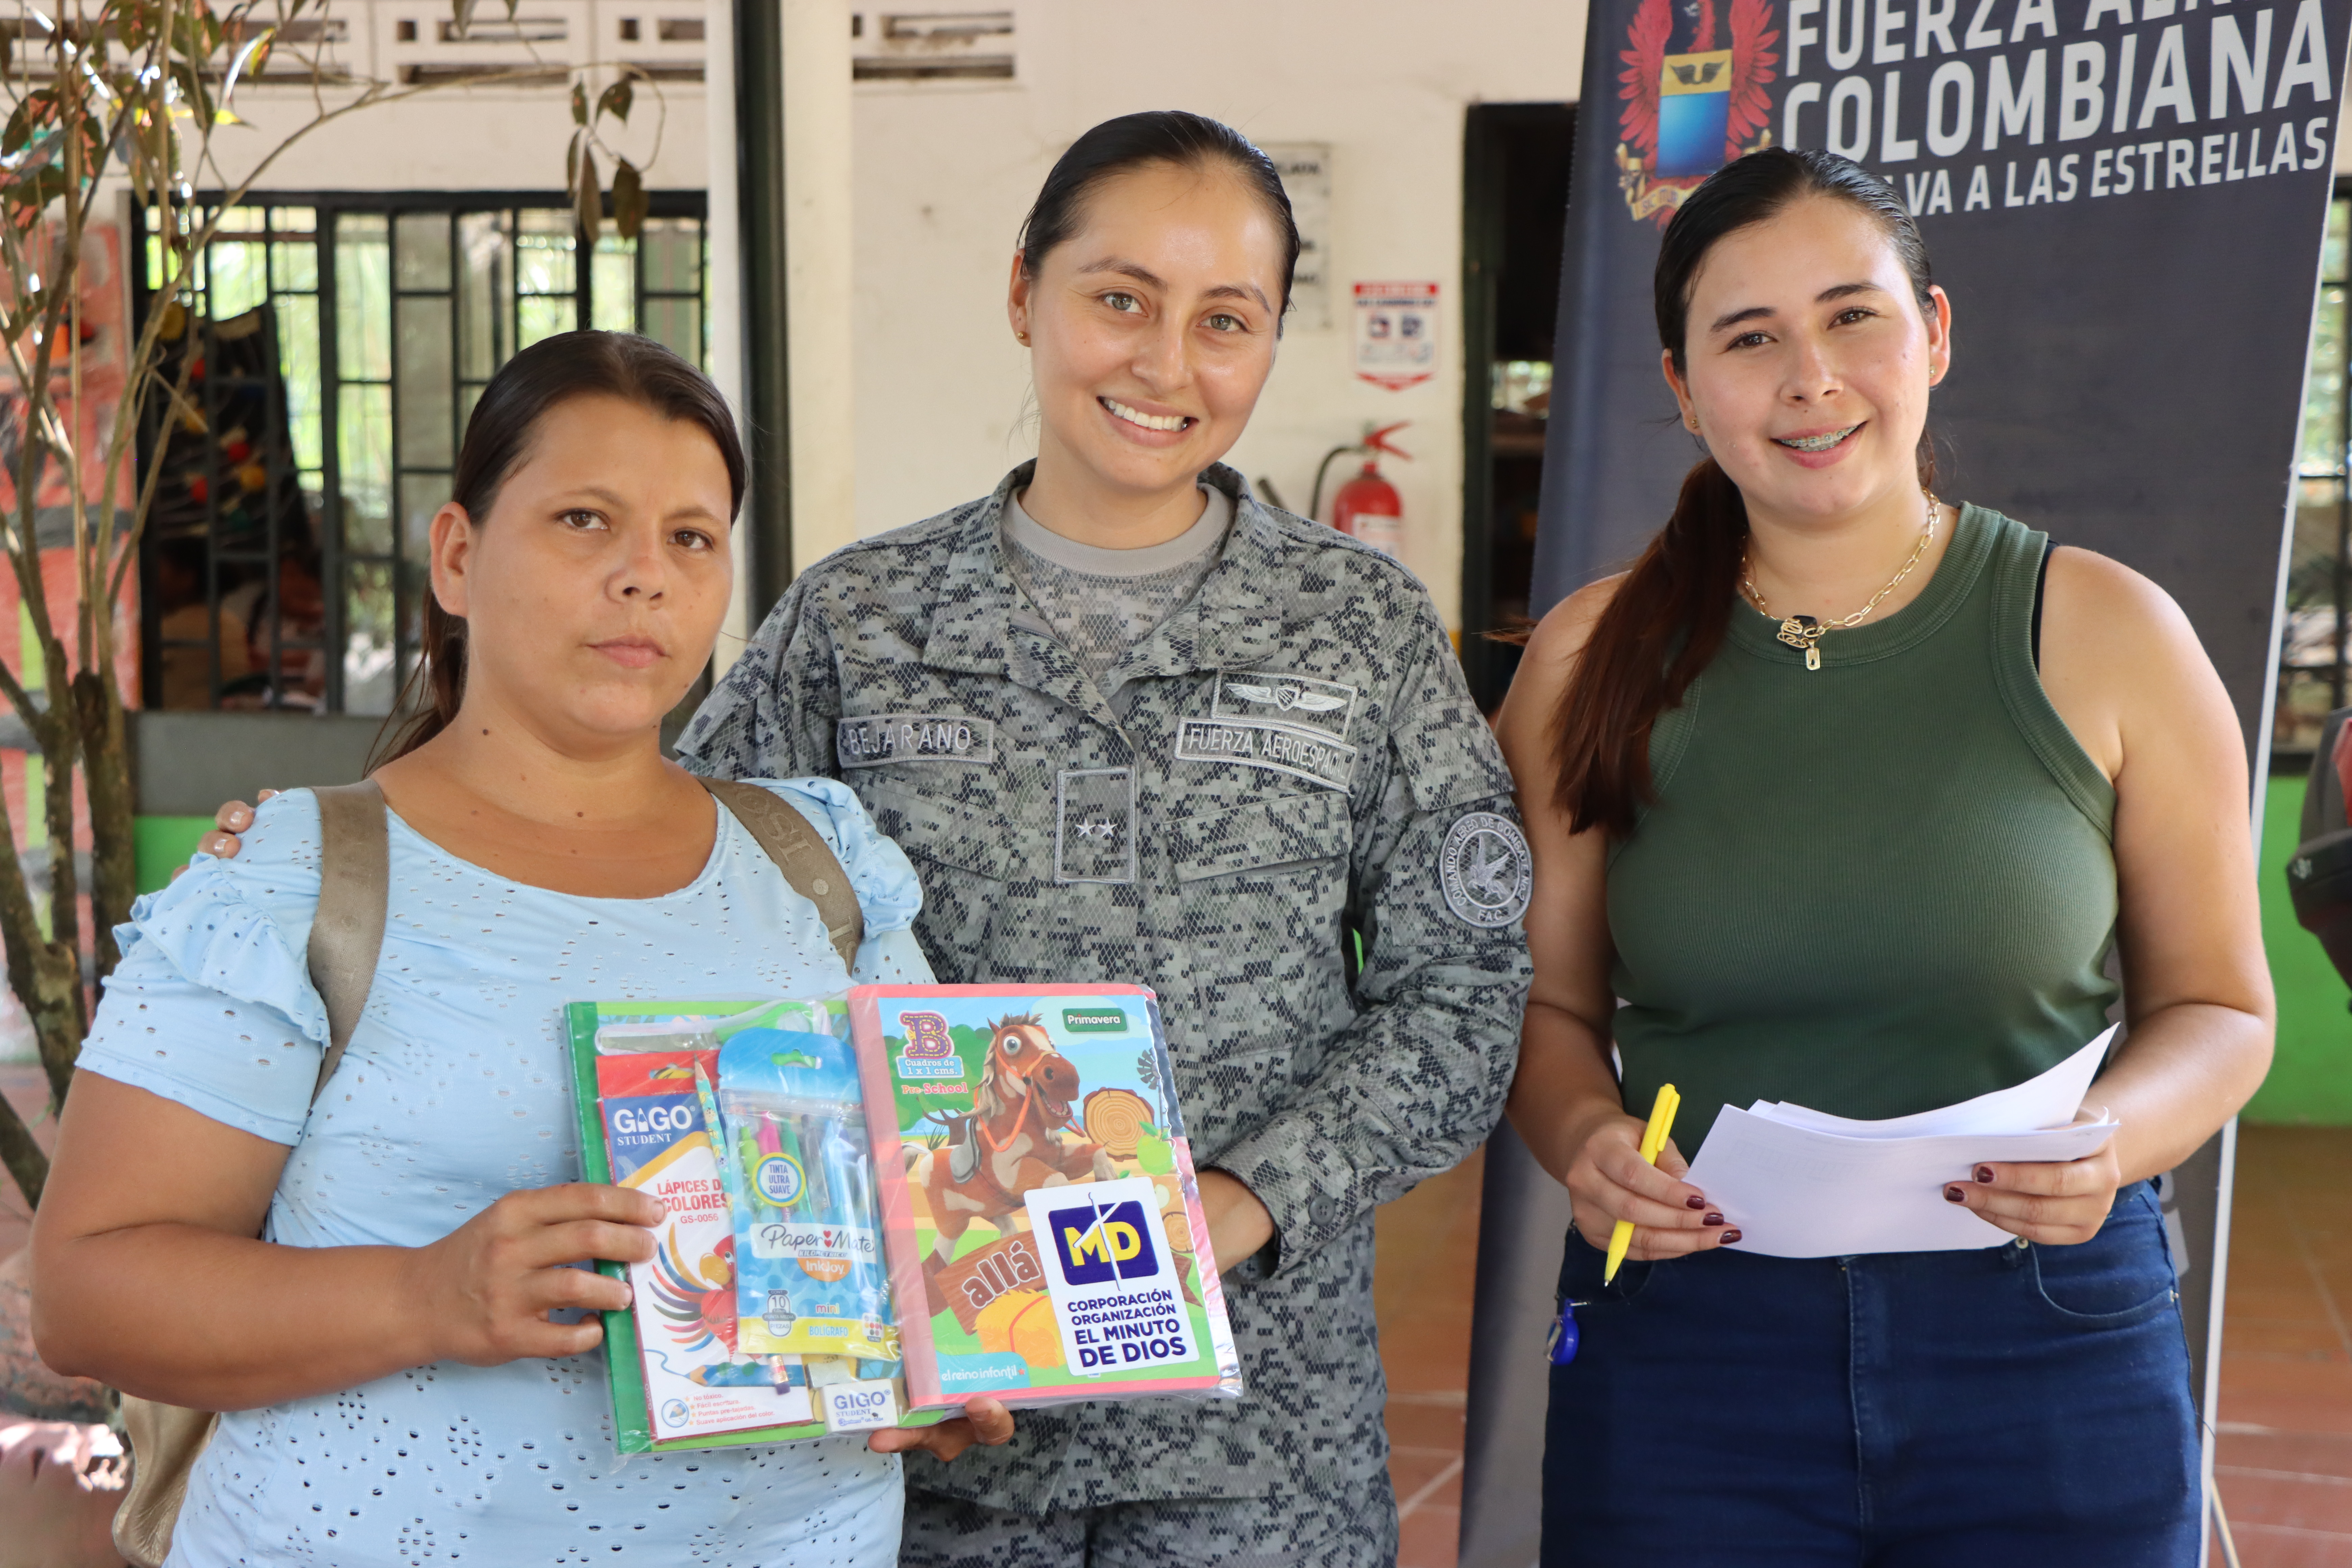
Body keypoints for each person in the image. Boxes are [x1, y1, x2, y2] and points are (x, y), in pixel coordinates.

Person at [201, 112, 1531, 1566]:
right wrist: (356, 834)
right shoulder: (861, 622)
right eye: (1120, 298)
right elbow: (650, 876)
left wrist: (1241, 1201)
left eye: (1226, 319)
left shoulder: (1360, 627)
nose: (1164, 362)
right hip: (912, 1419)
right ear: (1026, 293)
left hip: (1258, 1431)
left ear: (1272, 340)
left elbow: (1462, 995)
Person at [30, 330, 1009, 1568]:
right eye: (585, 521)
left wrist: (944, 1349)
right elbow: (90, 1293)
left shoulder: (817, 864)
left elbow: (912, 1204)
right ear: (456, 556)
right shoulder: (295, 884)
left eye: (692, 538)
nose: (644, 577)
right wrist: (425, 1297)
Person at [1498, 147, 2273, 1565]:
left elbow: (2221, 1008)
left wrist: (2116, 1140)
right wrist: (1586, 1139)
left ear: (1935, 332)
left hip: (2047, 1337)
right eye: (1749, 338)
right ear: (1680, 387)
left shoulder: (2109, 631)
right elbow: (1544, 1009)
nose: (1812, 377)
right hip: (1689, 1342)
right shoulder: (1586, 659)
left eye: (1854, 316)